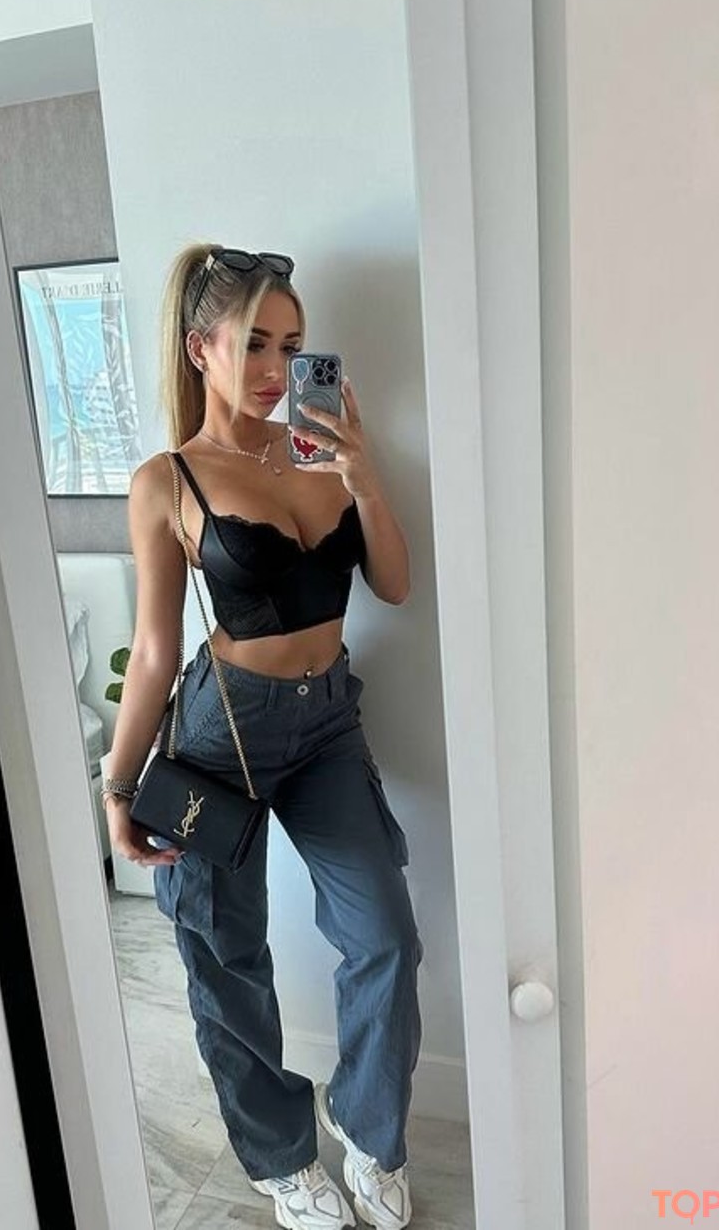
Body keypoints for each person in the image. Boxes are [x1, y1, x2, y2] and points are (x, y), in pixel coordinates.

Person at [101, 243, 423, 1230]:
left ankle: (368, 1128)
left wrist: (365, 474)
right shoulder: (167, 481)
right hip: (221, 732)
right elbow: (154, 650)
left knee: (385, 937)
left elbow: (394, 585)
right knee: (223, 953)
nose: (278, 367)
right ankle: (281, 1157)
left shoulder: (322, 452)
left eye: (292, 344)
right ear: (201, 347)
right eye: (254, 343)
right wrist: (118, 785)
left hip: (326, 724)